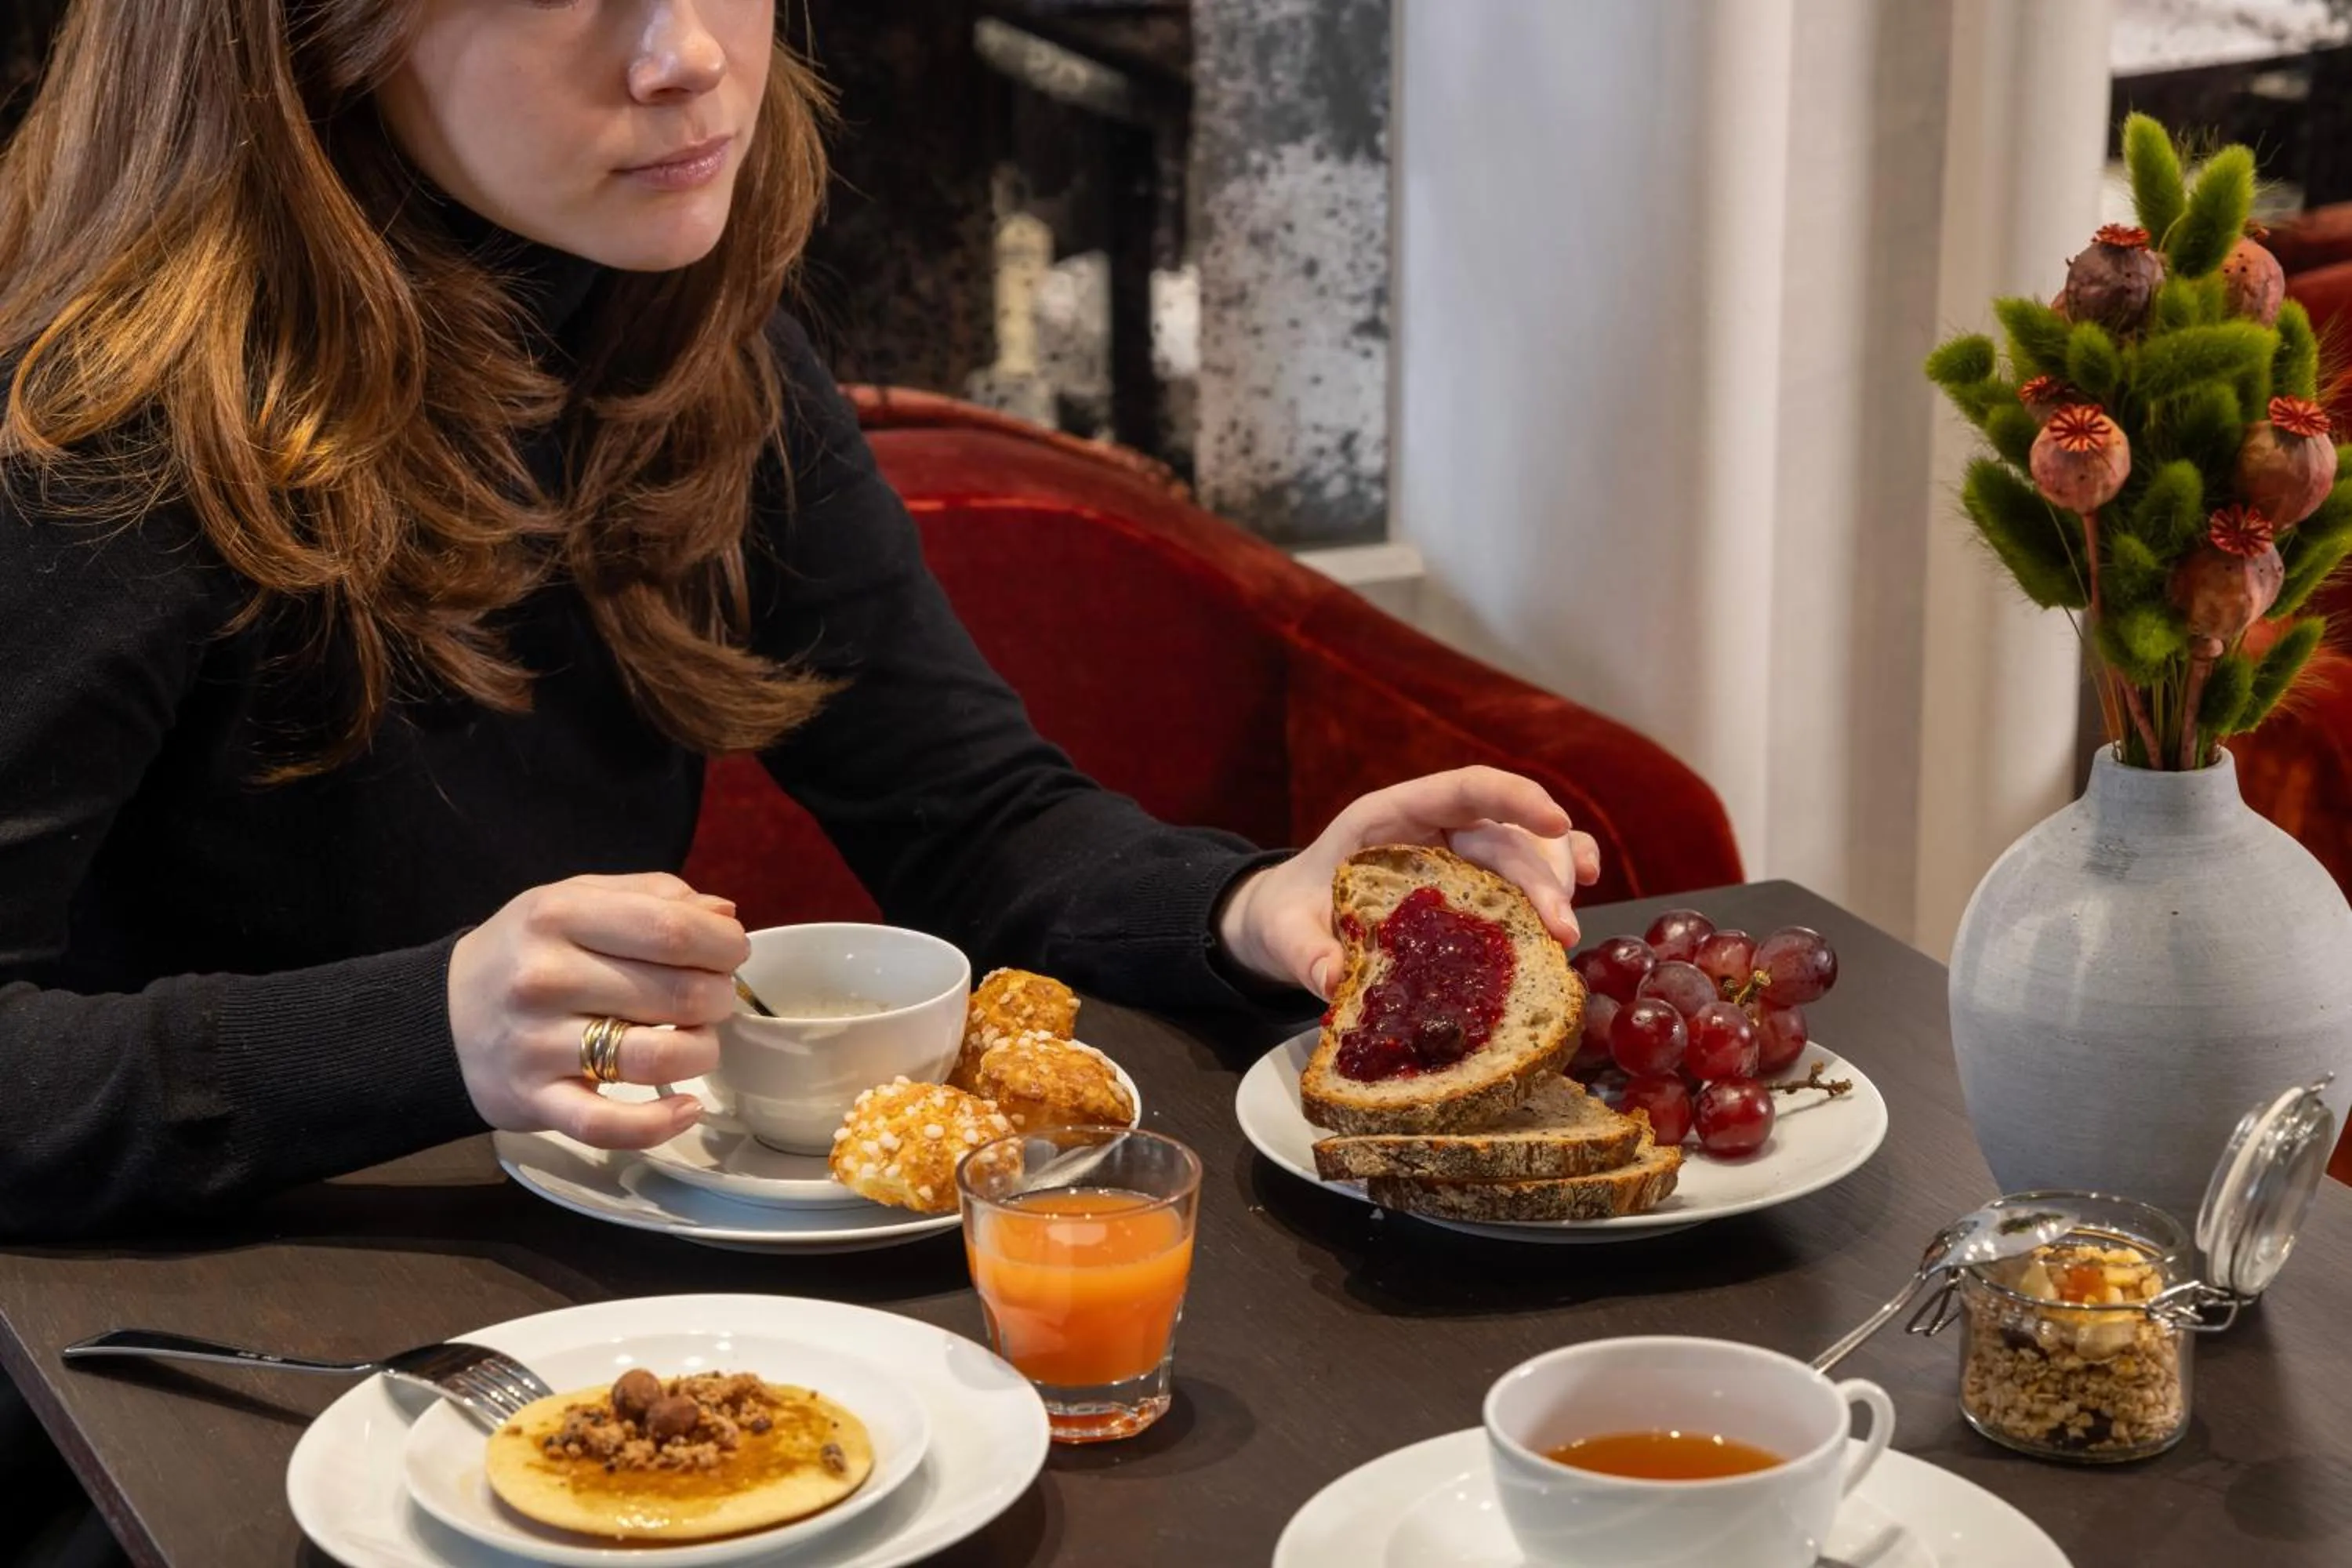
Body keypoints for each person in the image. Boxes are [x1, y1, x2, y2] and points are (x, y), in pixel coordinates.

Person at [0, 0, 1598, 1244]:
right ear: (307, 44)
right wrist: (426, 1029)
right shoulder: (103, 438)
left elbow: (983, 825)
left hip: (563, 1314)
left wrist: (1253, 904)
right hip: (163, 1374)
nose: (688, 55)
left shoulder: (689, 337)